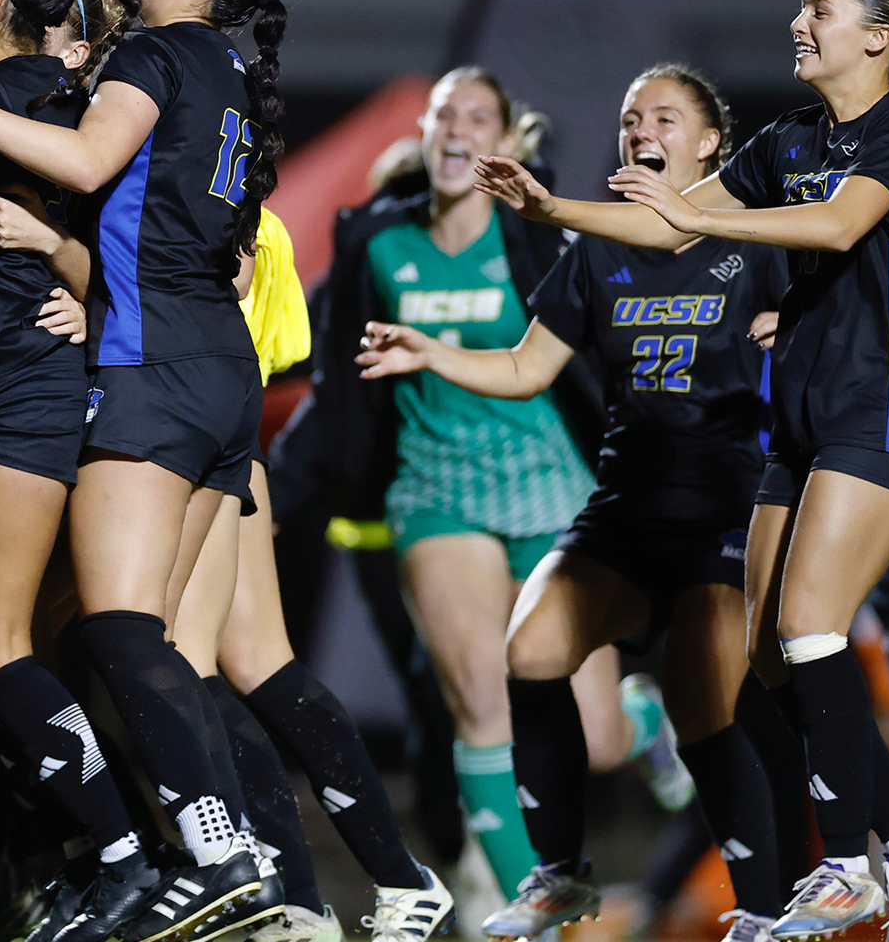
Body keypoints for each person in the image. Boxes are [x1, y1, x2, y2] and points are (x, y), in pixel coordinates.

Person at [473, 0, 889, 942]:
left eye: (819, 9)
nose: (798, 22)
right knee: (773, 654)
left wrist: (701, 213)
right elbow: (666, 231)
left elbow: (838, 224)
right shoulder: (791, 140)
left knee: (808, 624)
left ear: (878, 38)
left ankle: (848, 865)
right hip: (809, 421)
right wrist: (550, 209)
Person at [0, 0, 289, 942]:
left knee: (106, 635)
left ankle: (199, 856)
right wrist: (80, 269)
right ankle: (246, 874)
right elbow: (217, 250)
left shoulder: (155, 55)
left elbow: (85, 165)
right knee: (157, 652)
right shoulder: (230, 74)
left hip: (146, 368)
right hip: (216, 369)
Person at [362, 64, 791, 942]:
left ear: (711, 142)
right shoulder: (596, 248)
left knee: (706, 707)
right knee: (531, 651)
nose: (641, 131)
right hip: (624, 505)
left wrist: (804, 329)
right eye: (632, 118)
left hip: (720, 505)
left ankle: (765, 909)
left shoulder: (757, 240)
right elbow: (526, 367)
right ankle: (560, 876)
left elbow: (842, 314)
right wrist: (430, 351)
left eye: (664, 118)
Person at [327, 66, 691, 904]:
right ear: (425, 136)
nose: (457, 128)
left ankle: (639, 720)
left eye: (477, 117)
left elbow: (617, 336)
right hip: (435, 492)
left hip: (549, 490)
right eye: (443, 114)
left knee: (594, 740)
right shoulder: (378, 241)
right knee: (482, 704)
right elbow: (334, 381)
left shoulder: (539, 234)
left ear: (504, 141)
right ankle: (534, 899)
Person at [166, 207, 455, 942]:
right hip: (222, 437)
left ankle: (303, 892)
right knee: (254, 662)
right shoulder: (245, 207)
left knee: (174, 662)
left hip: (177, 438)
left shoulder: (189, 199)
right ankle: (383, 884)